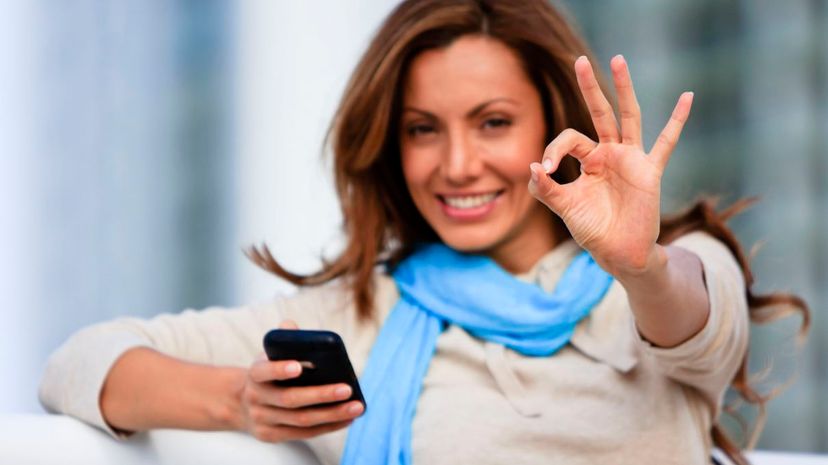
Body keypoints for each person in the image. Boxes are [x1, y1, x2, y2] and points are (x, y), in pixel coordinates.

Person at [39, 1, 809, 465]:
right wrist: (240, 401)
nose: (457, 164)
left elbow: (696, 323)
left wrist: (638, 267)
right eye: (421, 129)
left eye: (494, 123)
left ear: (551, 121)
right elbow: (78, 364)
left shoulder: (671, 279)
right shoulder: (357, 318)